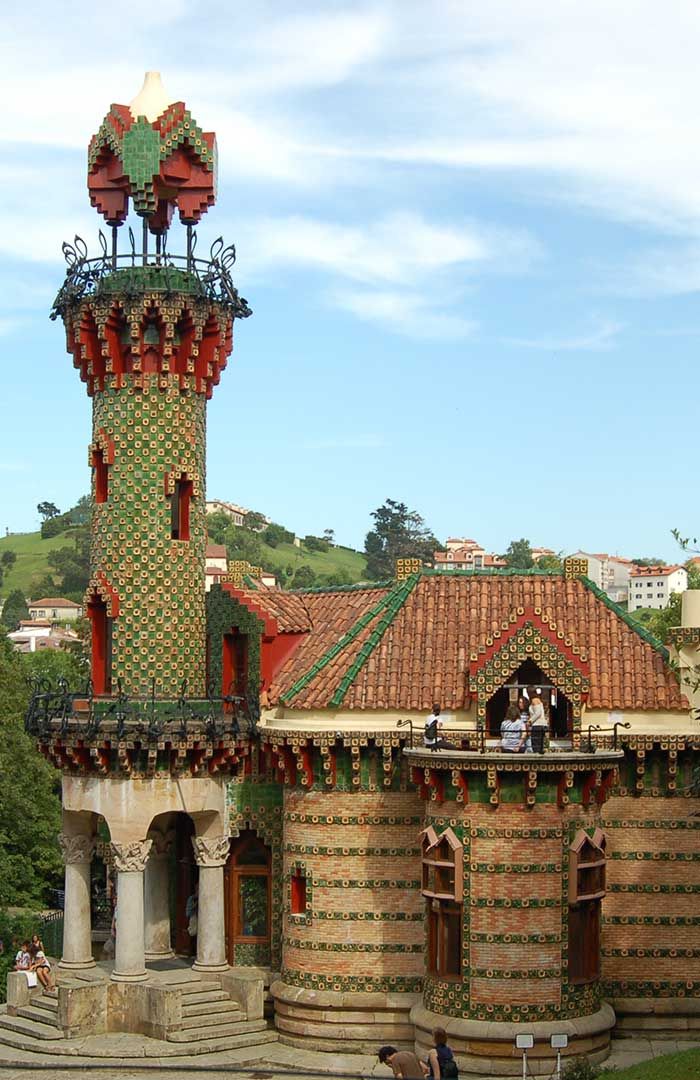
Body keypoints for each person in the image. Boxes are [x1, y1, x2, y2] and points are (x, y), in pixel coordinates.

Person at [528, 687, 548, 754]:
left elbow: (538, 713)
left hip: (537, 724)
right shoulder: (538, 700)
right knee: (540, 744)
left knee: (536, 743)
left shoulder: (535, 700)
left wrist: (530, 721)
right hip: (541, 725)